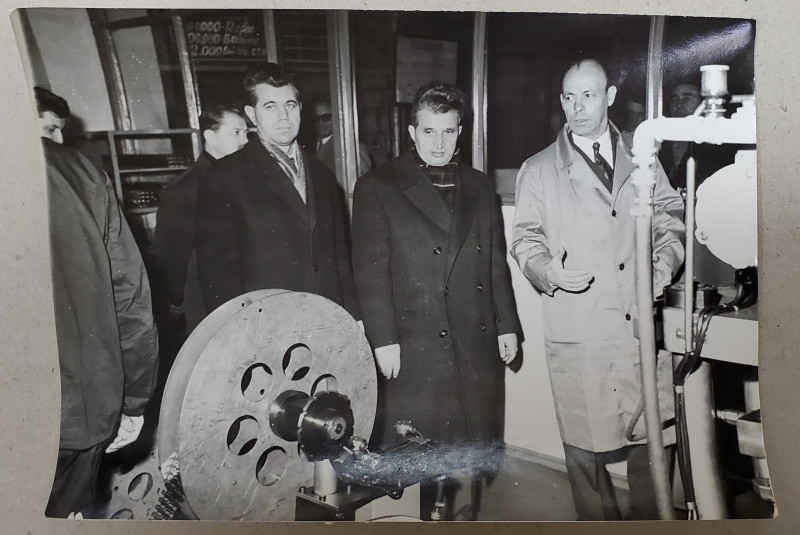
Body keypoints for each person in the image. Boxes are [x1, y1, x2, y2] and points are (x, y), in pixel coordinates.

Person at [510, 59, 685, 520]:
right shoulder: (538, 169)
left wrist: (663, 266)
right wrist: (548, 271)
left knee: (653, 445)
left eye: (587, 96)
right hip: (581, 330)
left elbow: (670, 218)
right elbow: (525, 240)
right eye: (568, 97)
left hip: (638, 324)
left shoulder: (643, 159)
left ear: (608, 97)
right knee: (585, 457)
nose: (577, 108)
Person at [351, 82, 521, 520]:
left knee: (469, 454)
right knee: (418, 457)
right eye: (429, 132)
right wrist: (383, 339)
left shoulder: (480, 186)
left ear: (460, 130)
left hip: (474, 339)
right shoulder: (376, 187)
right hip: (415, 343)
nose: (439, 143)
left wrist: (507, 325)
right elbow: (370, 275)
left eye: (448, 131)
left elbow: (495, 264)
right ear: (411, 132)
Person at [37, 89, 159, 518]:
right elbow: (130, 296)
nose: (55, 141)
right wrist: (135, 402)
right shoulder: (84, 174)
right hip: (82, 409)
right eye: (50, 129)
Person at [195, 63, 359, 319]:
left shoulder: (323, 176)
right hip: (267, 326)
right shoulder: (224, 178)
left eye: (290, 105)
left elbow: (340, 260)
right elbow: (218, 277)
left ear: (300, 109)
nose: (283, 116)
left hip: (328, 321)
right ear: (252, 113)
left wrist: (354, 317)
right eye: (270, 106)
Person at [154, 106, 248, 332]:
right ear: (210, 136)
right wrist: (176, 301)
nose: (245, 140)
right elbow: (171, 257)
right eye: (236, 132)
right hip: (206, 300)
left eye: (247, 133)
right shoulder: (184, 189)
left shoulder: (245, 179)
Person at [311, 98, 372, 175]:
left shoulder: (351, 147)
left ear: (336, 118)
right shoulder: (309, 145)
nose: (320, 123)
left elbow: (364, 180)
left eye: (326, 118)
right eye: (316, 119)